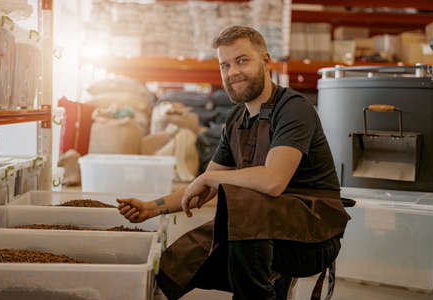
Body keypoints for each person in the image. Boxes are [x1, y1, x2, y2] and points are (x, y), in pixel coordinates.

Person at [117, 26, 353, 300]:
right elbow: (202, 184)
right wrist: (151, 208)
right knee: (184, 259)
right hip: (265, 225)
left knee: (243, 210)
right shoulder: (236, 120)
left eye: (242, 61)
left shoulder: (293, 108)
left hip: (313, 233)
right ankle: (270, 287)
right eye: (224, 65)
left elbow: (273, 181)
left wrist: (211, 180)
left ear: (265, 61)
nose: (232, 72)